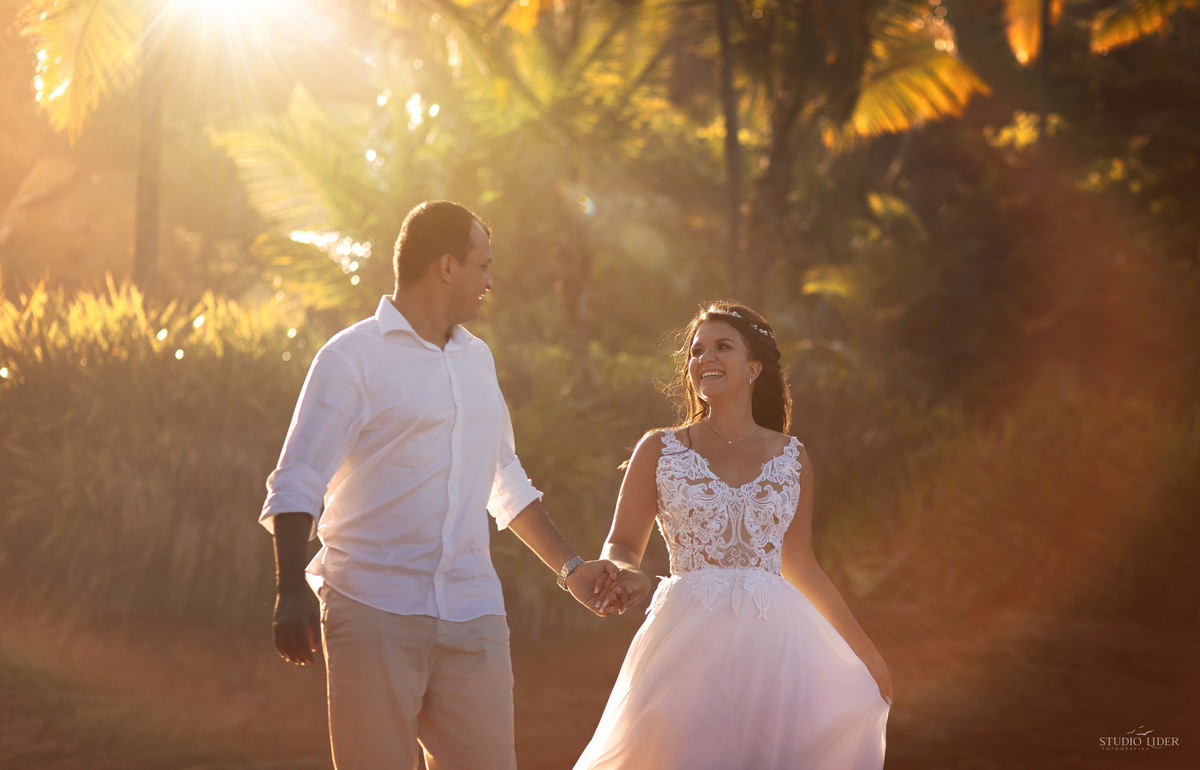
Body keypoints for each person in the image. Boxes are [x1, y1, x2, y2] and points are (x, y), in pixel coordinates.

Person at [260, 200, 617, 770]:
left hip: (472, 609)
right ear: (446, 267)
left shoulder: (479, 361)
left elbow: (504, 480)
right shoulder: (350, 358)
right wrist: (289, 589)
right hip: (370, 605)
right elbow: (298, 477)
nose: (490, 281)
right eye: (482, 266)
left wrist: (571, 569)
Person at [573, 302, 892, 770]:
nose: (705, 358)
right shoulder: (660, 448)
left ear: (753, 367)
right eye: (696, 351)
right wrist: (624, 571)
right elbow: (621, 544)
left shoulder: (792, 458)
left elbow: (800, 564)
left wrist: (866, 654)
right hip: (687, 640)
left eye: (723, 347)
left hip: (776, 645)